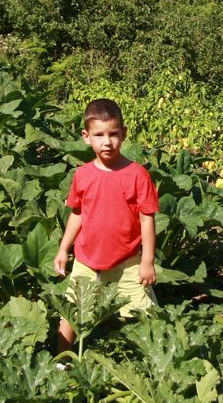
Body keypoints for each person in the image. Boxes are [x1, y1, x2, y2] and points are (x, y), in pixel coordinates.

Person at [54, 99, 160, 352]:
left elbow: (147, 218)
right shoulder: (82, 175)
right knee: (71, 311)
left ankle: (155, 363)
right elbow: (77, 214)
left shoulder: (137, 174)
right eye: (99, 135)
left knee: (148, 316)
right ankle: (61, 360)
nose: (107, 142)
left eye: (113, 134)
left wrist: (147, 261)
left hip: (128, 262)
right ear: (86, 137)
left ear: (123, 133)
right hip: (87, 260)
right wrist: (63, 248)